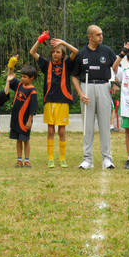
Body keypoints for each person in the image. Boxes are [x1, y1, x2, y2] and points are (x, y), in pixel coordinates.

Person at [30, 32, 78, 168]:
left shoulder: (67, 65)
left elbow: (75, 51)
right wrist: (39, 41)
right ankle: (50, 158)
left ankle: (62, 158)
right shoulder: (46, 65)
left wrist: (62, 42)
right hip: (50, 101)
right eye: (54, 52)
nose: (56, 54)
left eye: (58, 52)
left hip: (63, 102)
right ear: (51, 55)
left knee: (61, 131)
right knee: (51, 131)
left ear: (62, 55)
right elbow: (32, 52)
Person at [72, 25, 117, 169]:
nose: (101, 37)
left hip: (104, 86)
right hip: (87, 87)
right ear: (89, 37)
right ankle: (87, 160)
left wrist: (115, 83)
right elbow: (74, 76)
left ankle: (107, 159)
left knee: (105, 125)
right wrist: (80, 93)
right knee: (88, 126)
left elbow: (115, 68)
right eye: (97, 34)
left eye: (101, 34)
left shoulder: (107, 51)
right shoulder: (81, 53)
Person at [7, 55, 38, 168]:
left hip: (25, 120)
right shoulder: (19, 85)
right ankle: (19, 160)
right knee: (18, 140)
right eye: (22, 76)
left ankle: (27, 160)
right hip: (15, 119)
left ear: (32, 78)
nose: (22, 79)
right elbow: (10, 77)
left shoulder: (32, 91)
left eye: (25, 77)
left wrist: (29, 121)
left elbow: (33, 108)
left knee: (25, 140)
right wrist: (11, 65)